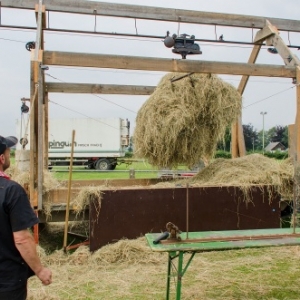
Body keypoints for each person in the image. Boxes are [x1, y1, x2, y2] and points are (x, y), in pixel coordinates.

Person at [0, 135, 52, 300]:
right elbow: (22, 239)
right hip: (6, 280)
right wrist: (40, 270)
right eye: (9, 152)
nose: (10, 155)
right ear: (2, 158)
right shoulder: (11, 191)